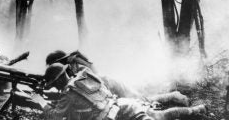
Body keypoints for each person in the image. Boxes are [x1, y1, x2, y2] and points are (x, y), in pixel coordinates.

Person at [31, 63, 224, 120]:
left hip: (123, 116)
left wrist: (39, 101)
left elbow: (55, 118)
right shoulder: (83, 78)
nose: (55, 87)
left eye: (54, 84)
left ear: (57, 81)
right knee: (160, 117)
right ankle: (195, 111)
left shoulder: (68, 94)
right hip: (122, 106)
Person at [45, 50, 189, 106]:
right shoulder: (70, 69)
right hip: (106, 87)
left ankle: (174, 96)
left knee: (142, 100)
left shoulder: (76, 65)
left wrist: (78, 60)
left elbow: (94, 74)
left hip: (109, 84)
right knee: (140, 99)